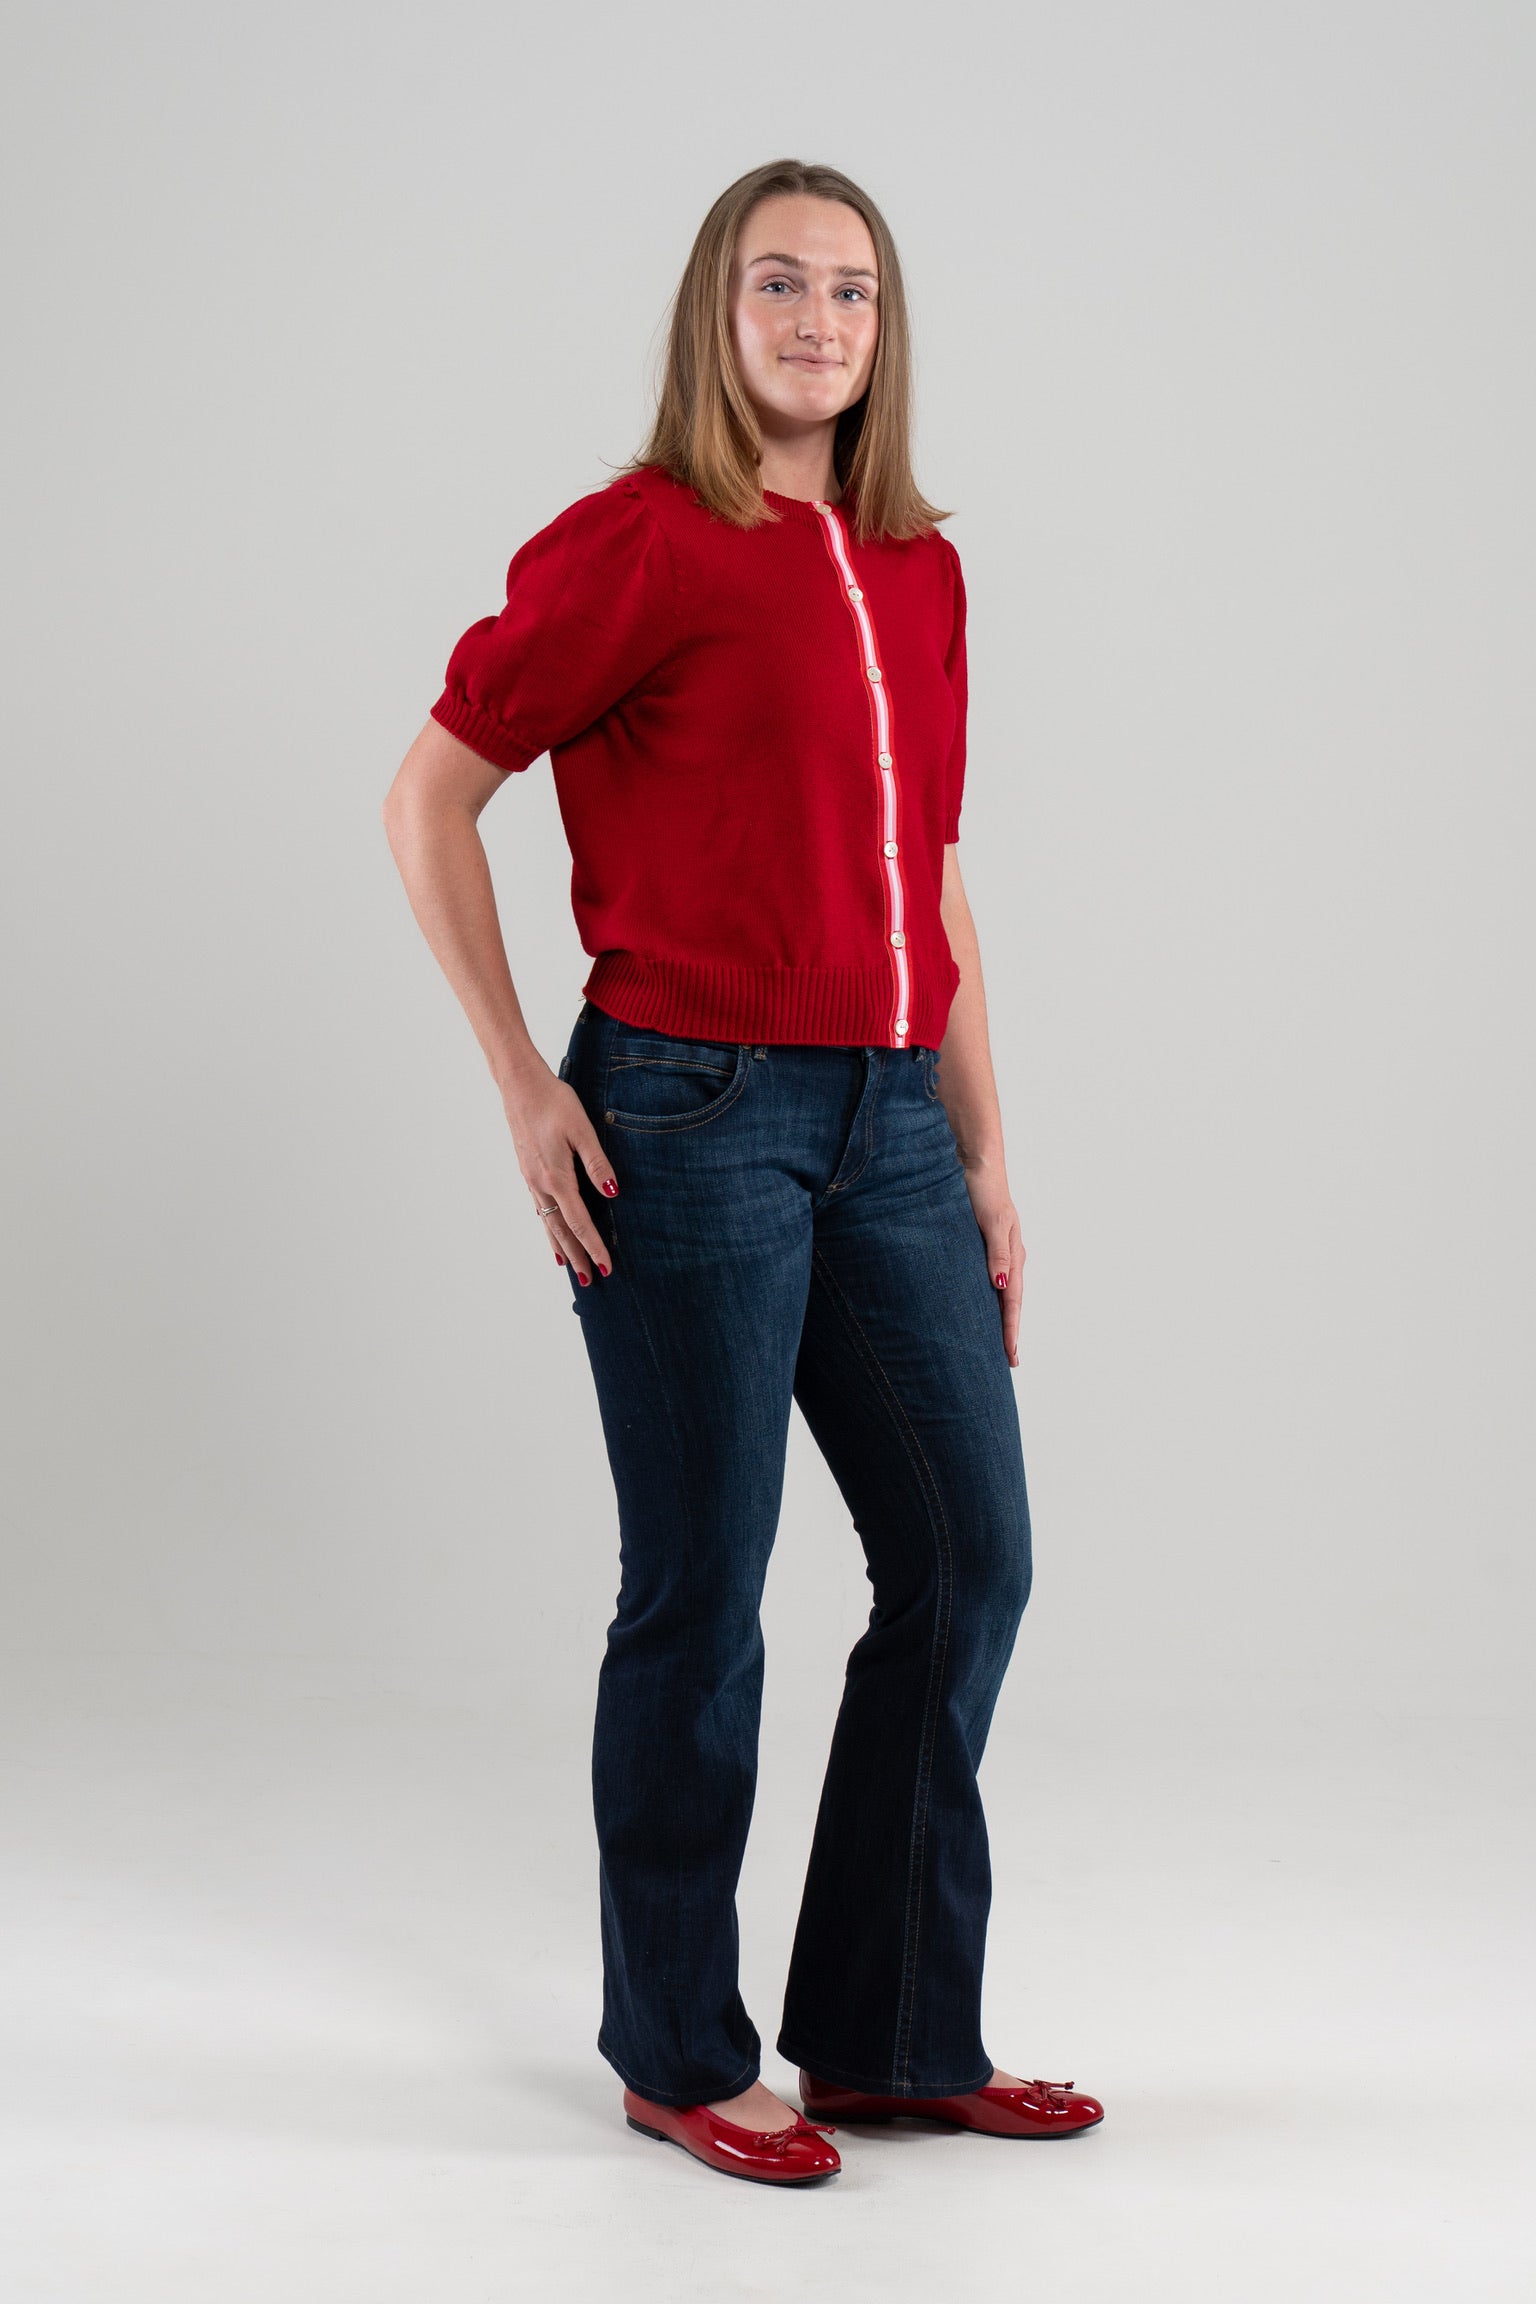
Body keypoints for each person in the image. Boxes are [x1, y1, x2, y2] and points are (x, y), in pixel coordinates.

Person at [382, 157, 1104, 2187]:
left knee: (968, 1559)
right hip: (688, 1110)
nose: (816, 321)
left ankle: (886, 2036)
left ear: (887, 332)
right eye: (778, 284)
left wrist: (983, 1154)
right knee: (701, 1594)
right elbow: (432, 794)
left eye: (852, 293)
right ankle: (679, 2050)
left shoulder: (918, 572)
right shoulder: (641, 545)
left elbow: (938, 883)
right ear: (719, 312)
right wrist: (528, 1082)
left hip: (885, 1119)